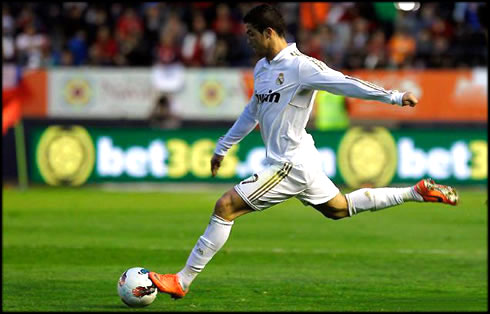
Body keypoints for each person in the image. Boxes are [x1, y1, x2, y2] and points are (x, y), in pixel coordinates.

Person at [149, 4, 458, 299]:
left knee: (225, 207)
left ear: (268, 32)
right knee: (339, 208)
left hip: (289, 164)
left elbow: (344, 83)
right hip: (299, 159)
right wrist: (223, 146)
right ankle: (415, 193)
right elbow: (252, 111)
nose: (247, 39)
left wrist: (394, 96)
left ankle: (182, 280)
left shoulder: (301, 66)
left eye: (251, 34)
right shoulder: (262, 68)